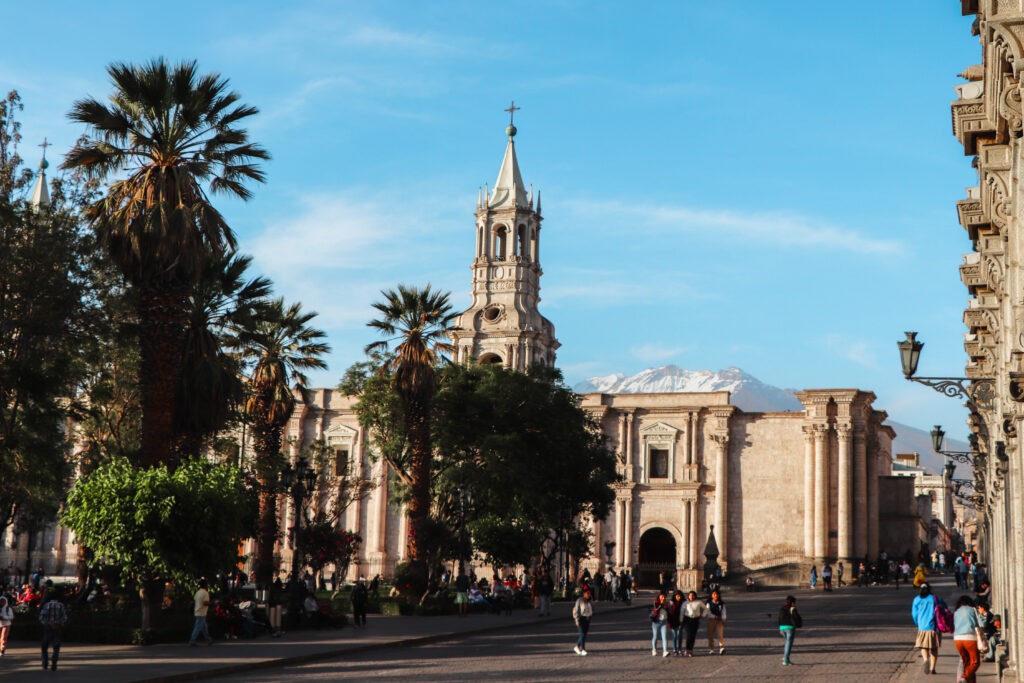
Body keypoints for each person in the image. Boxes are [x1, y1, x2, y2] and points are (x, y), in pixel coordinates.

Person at [911, 582, 943, 674]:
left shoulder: (916, 599)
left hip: (922, 627)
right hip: (934, 627)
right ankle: (932, 668)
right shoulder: (935, 598)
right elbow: (944, 607)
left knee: (923, 647)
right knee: (934, 648)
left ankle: (925, 660)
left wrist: (918, 623)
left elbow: (914, 614)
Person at [953, 595, 985, 682]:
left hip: (957, 639)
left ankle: (969, 680)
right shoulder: (972, 610)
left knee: (966, 662)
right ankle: (964, 677)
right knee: (975, 662)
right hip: (970, 638)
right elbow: (981, 624)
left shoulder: (956, 612)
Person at [38, 589, 67, 671]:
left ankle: (45, 663)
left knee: (44, 646)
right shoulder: (61, 605)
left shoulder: (46, 605)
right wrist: (58, 624)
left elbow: (41, 617)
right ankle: (54, 663)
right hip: (57, 628)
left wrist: (48, 623)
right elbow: (64, 617)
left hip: (47, 627)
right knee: (56, 646)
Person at [681, 590, 709, 657]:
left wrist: (703, 615)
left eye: (693, 595)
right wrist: (681, 621)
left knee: (693, 635)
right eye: (690, 595)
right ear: (688, 596)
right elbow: (682, 612)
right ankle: (687, 649)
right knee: (689, 635)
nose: (691, 597)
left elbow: (706, 609)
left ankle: (691, 650)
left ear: (695, 596)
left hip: (695, 620)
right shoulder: (685, 603)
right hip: (687, 619)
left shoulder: (699, 602)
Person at [188, 579, 214, 646]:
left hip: (197, 611)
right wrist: (211, 603)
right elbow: (205, 603)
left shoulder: (198, 592)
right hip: (202, 612)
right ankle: (192, 640)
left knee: (204, 627)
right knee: (198, 627)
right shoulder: (205, 593)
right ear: (205, 585)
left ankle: (209, 639)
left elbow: (194, 601)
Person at [778, 595, 802, 665]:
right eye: (794, 602)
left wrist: (780, 627)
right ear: (792, 602)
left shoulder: (782, 608)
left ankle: (786, 657)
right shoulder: (792, 609)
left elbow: (779, 618)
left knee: (787, 643)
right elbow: (796, 617)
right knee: (789, 643)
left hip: (782, 628)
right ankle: (786, 660)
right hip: (790, 628)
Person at [572, 587, 593, 656]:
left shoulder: (589, 601)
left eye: (589, 593)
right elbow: (576, 611)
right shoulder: (580, 600)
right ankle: (583, 649)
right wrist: (577, 621)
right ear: (584, 594)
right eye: (587, 593)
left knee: (583, 635)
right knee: (582, 634)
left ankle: (577, 647)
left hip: (587, 619)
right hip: (581, 619)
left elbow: (592, 610)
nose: (589, 594)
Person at [650, 592, 670, 657]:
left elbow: (669, 611)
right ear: (659, 597)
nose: (663, 598)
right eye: (662, 596)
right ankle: (654, 650)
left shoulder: (667, 603)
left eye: (664, 597)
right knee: (655, 636)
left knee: (664, 637)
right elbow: (655, 609)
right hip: (656, 622)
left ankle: (665, 651)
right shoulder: (656, 602)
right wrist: (661, 605)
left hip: (664, 622)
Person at [706, 589, 727, 655]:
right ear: (711, 595)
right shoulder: (709, 603)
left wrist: (723, 619)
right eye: (714, 594)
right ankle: (711, 649)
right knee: (710, 635)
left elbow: (724, 612)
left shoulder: (721, 603)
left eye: (716, 594)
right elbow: (708, 612)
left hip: (719, 620)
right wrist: (714, 617)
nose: (716, 595)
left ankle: (721, 648)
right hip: (711, 620)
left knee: (720, 635)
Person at [667, 590, 684, 656]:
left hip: (680, 621)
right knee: (674, 636)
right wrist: (669, 622)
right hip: (673, 621)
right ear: (674, 596)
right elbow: (669, 613)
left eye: (680, 596)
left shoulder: (683, 603)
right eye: (677, 596)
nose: (679, 597)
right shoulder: (671, 603)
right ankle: (674, 649)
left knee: (680, 635)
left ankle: (679, 649)